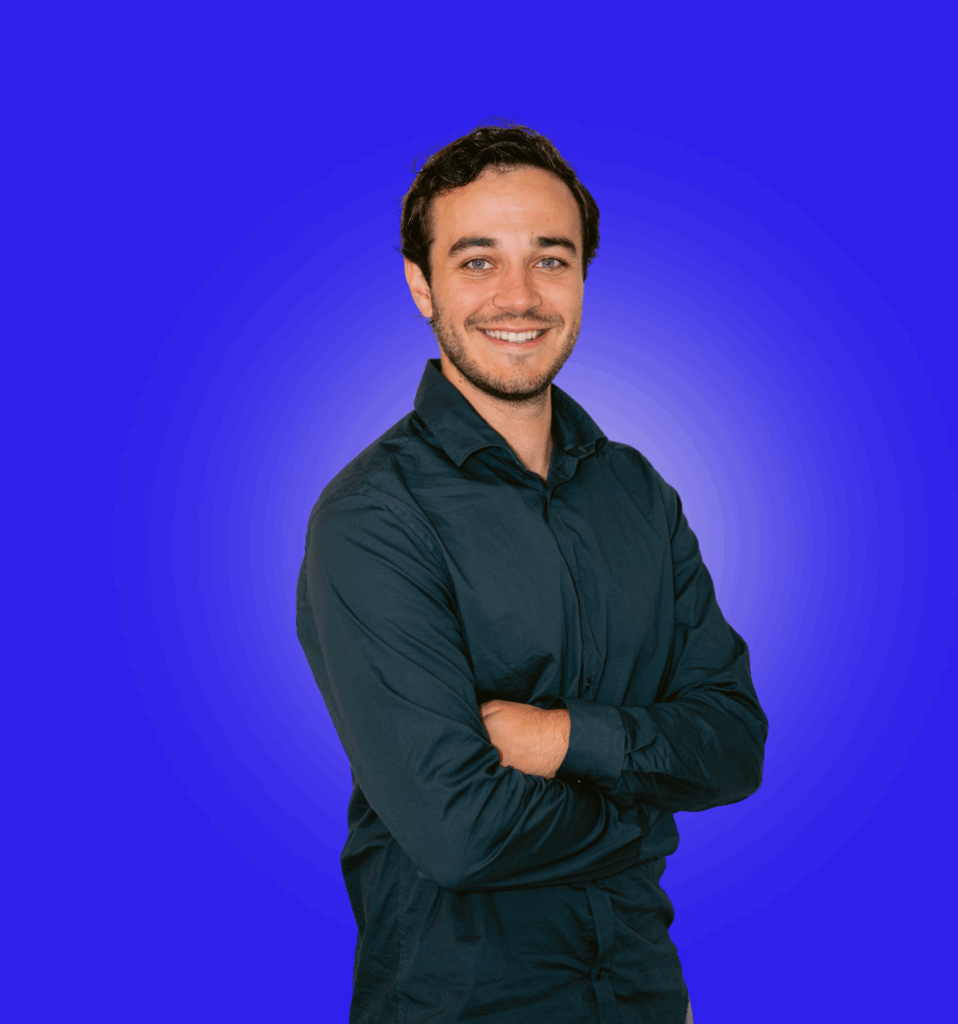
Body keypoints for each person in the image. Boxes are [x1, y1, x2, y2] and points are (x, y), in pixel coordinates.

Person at [296, 122, 769, 1024]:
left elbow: (735, 743)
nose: (518, 296)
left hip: (641, 997)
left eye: (551, 259)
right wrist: (646, 813)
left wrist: (558, 739)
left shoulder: (638, 493)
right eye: (477, 261)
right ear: (421, 285)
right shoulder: (371, 518)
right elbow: (460, 834)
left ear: (583, 276)